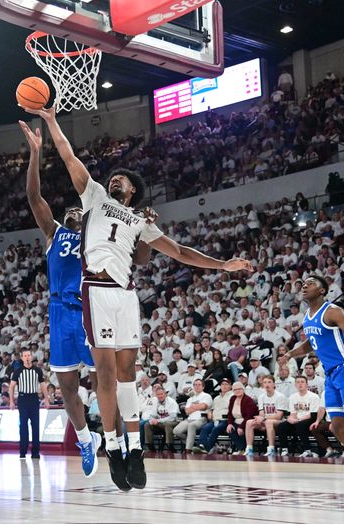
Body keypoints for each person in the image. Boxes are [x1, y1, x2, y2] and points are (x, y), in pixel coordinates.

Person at [23, 104, 252, 490]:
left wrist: (223, 265)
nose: (114, 181)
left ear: (133, 192)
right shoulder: (93, 196)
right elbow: (68, 155)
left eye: (121, 181)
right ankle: (112, 446)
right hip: (95, 291)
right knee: (107, 377)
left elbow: (178, 252)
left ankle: (133, 447)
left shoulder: (141, 221)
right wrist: (51, 121)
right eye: (112, 178)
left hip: (126, 295)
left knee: (128, 376)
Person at [19, 120, 153, 478]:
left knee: (105, 381)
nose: (73, 213)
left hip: (95, 305)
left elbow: (136, 255)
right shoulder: (55, 233)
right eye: (70, 213)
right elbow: (34, 198)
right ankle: (84, 438)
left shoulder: (103, 230)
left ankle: (121, 442)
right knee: (67, 387)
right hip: (62, 312)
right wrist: (34, 155)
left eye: (79, 211)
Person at [287, 275, 344, 499]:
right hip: (330, 376)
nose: (305, 285)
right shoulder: (308, 317)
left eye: (311, 282)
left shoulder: (333, 311)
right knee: (338, 428)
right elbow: (311, 343)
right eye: (304, 282)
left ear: (323, 290)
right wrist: (291, 353)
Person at [9, 349, 50, 459]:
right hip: (23, 399)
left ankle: (35, 452)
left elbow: (43, 386)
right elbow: (11, 386)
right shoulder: (17, 371)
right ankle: (22, 451)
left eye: (29, 355)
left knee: (35, 425)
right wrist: (11, 401)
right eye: (25, 356)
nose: (27, 357)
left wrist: (46, 399)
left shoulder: (37, 371)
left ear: (31, 357)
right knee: (23, 426)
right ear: (22, 358)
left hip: (34, 398)